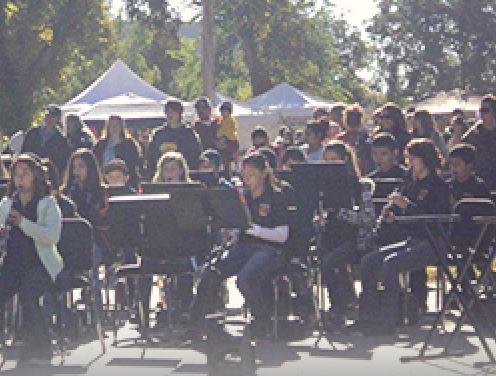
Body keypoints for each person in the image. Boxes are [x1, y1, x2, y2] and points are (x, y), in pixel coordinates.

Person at [354, 138, 450, 336]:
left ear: (425, 159)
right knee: (369, 260)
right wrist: (392, 215)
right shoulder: (409, 182)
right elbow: (405, 215)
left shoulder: (438, 185)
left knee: (392, 263)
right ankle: (368, 315)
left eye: (413, 158)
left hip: (432, 242)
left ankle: (388, 319)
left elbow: (431, 219)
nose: (410, 163)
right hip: (411, 240)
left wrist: (405, 205)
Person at [188, 152, 290, 338]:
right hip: (243, 247)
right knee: (211, 271)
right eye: (244, 175)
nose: (247, 180)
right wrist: (232, 231)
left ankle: (262, 322)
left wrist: (255, 230)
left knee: (245, 279)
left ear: (263, 173)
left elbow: (282, 235)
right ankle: (198, 325)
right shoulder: (242, 197)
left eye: (251, 175)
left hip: (269, 249)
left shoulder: (276, 197)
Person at [0, 153, 63, 364]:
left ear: (35, 176)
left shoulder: (48, 204)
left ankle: (41, 349)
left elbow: (51, 237)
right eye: (16, 174)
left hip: (40, 264)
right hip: (13, 262)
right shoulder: (7, 203)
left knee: (29, 295)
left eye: (25, 173)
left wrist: (24, 223)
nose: (20, 178)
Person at [320, 141, 375, 331]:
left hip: (356, 240)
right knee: (323, 258)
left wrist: (340, 212)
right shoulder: (323, 188)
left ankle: (340, 307)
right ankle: (341, 302)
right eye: (325, 161)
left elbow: (367, 219)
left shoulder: (362, 186)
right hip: (331, 237)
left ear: (345, 161)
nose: (329, 166)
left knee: (330, 261)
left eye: (333, 161)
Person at [61, 149, 109, 310]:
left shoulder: (99, 192)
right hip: (67, 242)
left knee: (91, 258)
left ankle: (96, 308)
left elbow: (99, 218)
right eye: (74, 168)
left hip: (93, 242)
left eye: (81, 167)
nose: (77, 171)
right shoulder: (67, 192)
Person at [148, 100, 202, 176]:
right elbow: (151, 158)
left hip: (184, 177)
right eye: (168, 112)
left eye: (173, 111)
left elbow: (195, 157)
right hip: (161, 177)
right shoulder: (158, 134)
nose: (170, 114)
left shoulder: (189, 134)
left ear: (180, 114)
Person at [454, 94, 496, 190]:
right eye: (481, 110)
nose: (482, 114)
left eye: (485, 111)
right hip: (479, 181)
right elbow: (458, 151)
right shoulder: (474, 132)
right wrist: (457, 132)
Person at [93, 115, 142, 189]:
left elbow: (135, 163)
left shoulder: (129, 144)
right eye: (111, 125)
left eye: (117, 125)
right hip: (105, 180)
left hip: (126, 181)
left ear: (122, 127)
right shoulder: (101, 144)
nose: (114, 127)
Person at [22, 105, 71, 175]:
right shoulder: (32, 133)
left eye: (52, 117)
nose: (49, 119)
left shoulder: (61, 139)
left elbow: (62, 162)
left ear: (58, 119)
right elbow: (24, 151)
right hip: (29, 170)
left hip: (49, 174)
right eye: (47, 115)